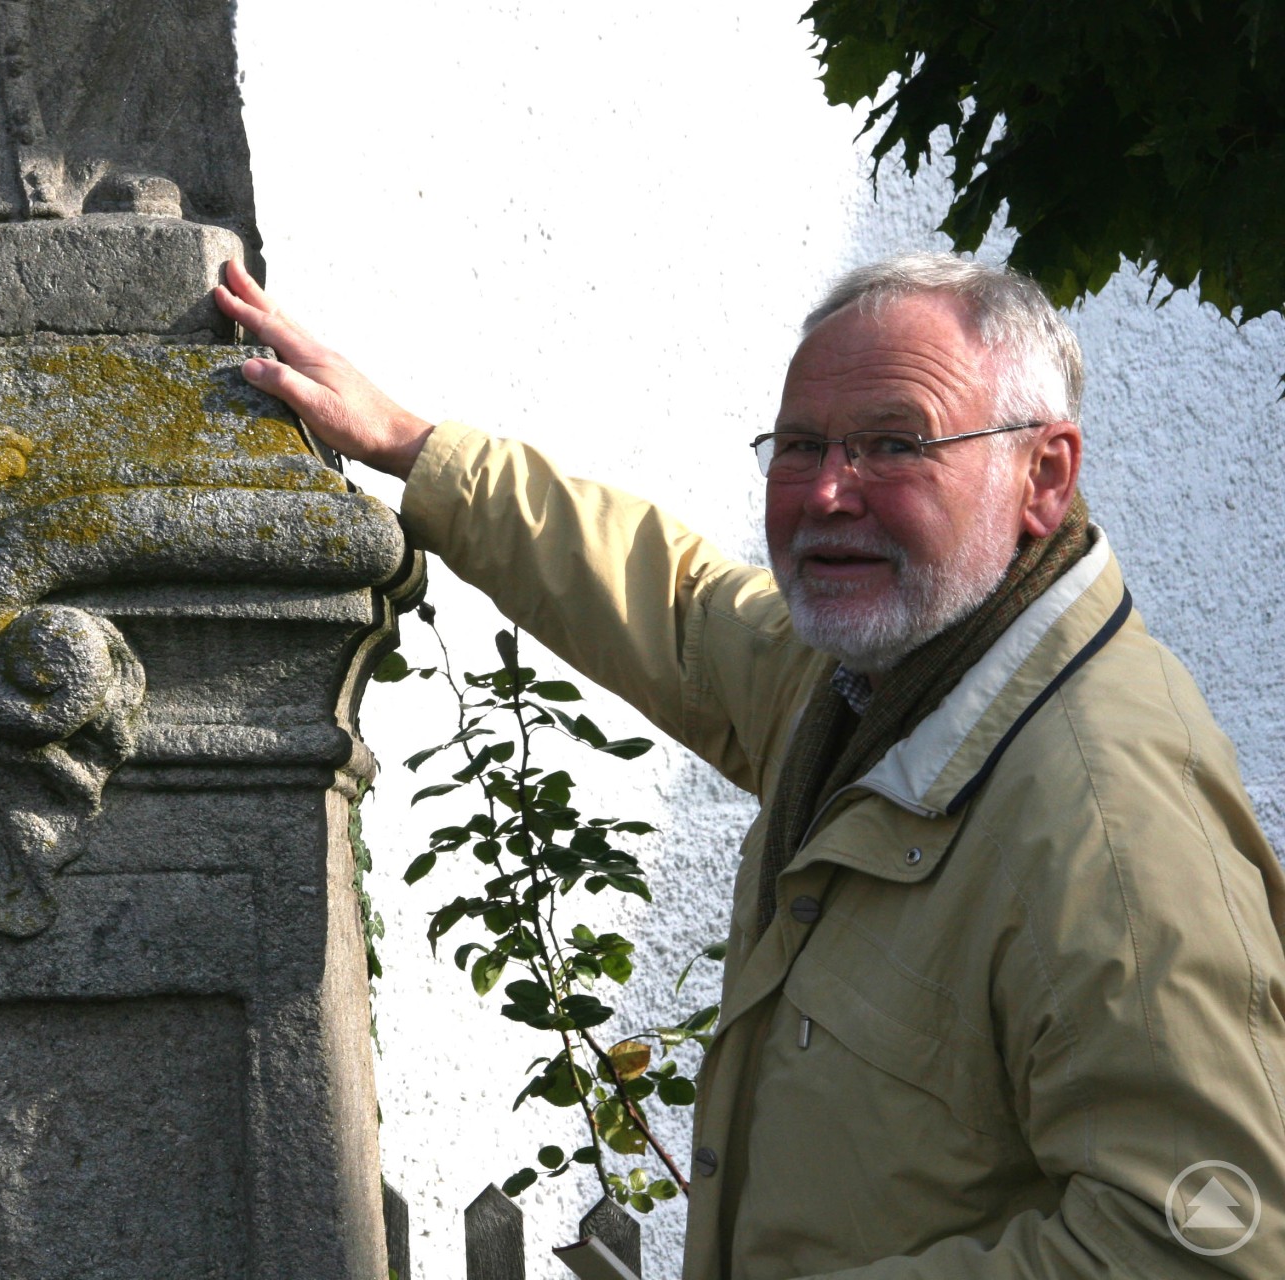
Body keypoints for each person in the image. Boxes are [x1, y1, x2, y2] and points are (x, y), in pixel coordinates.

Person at [215, 253, 1285, 1278]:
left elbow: (1206, 1245)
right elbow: (669, 602)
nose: (826, 493)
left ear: (1042, 475)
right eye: (802, 445)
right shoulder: (875, 681)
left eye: (894, 444)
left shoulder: (1109, 816)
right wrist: (414, 446)